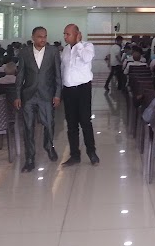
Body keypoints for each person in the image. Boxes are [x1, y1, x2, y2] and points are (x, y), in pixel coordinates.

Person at [14, 26, 62, 172]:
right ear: (33, 38)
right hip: (28, 95)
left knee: (49, 124)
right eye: (40, 37)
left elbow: (58, 74)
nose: (43, 39)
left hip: (46, 95)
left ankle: (48, 145)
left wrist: (57, 94)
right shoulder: (25, 52)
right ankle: (30, 158)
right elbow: (20, 75)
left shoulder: (53, 51)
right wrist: (17, 96)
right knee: (28, 128)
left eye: (45, 36)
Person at [61, 24, 99, 166]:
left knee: (85, 122)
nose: (65, 37)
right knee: (71, 125)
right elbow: (63, 69)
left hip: (82, 89)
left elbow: (87, 58)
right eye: (64, 34)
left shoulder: (87, 46)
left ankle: (91, 152)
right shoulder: (65, 50)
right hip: (68, 90)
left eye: (68, 34)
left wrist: (78, 44)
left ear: (77, 34)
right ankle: (74, 155)